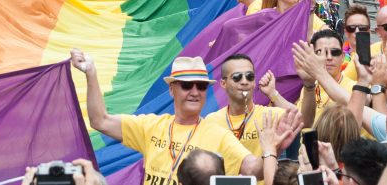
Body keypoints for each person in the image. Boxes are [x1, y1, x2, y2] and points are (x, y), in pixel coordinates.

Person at [70, 51, 283, 182]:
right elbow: (100, 120)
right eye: (187, 85)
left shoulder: (217, 134)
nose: (194, 92)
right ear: (172, 89)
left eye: (200, 86)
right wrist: (92, 73)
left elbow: (253, 170)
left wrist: (271, 148)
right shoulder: (151, 125)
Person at [205, 54, 295, 158]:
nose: (244, 82)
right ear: (223, 83)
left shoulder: (269, 116)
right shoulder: (212, 121)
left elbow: (301, 118)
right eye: (237, 77)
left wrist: (272, 93)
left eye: (249, 77)